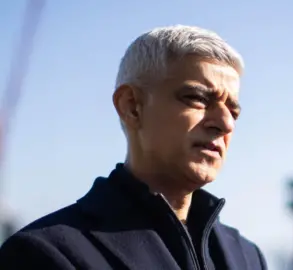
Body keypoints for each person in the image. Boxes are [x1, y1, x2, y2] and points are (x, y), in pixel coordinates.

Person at [0, 25, 267, 269]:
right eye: (197, 98)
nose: (225, 123)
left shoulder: (248, 257)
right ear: (132, 106)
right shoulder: (46, 254)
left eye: (234, 111)